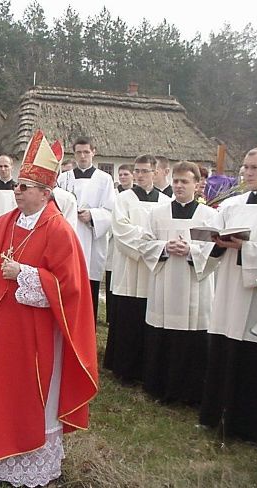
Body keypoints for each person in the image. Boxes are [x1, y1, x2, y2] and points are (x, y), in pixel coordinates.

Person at [0, 130, 98, 487]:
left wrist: (24, 274)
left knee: (26, 399)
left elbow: (70, 290)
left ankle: (28, 456)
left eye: (25, 186)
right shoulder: (8, 221)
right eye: (18, 185)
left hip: (35, 339)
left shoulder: (59, 231)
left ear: (45, 192)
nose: (17, 191)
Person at [199, 146, 257, 450]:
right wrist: (217, 243)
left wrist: (245, 248)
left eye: (254, 167)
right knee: (223, 349)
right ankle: (217, 415)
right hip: (229, 289)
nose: (247, 172)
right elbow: (214, 244)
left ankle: (247, 424)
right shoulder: (232, 204)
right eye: (245, 167)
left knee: (251, 359)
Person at [139, 162, 218, 404]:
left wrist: (192, 250)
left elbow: (217, 251)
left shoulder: (210, 216)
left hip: (194, 285)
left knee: (191, 340)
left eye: (185, 181)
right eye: (176, 181)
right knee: (163, 336)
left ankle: (189, 392)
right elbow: (143, 243)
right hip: (164, 285)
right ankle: (159, 387)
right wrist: (164, 247)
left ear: (197, 184)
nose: (179, 185)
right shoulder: (157, 214)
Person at [104, 155, 171, 382]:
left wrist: (156, 245)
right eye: (137, 171)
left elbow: (168, 232)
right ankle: (124, 368)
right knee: (128, 318)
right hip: (130, 267)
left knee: (148, 318)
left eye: (145, 171)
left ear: (155, 172)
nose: (140, 175)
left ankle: (147, 366)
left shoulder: (165, 201)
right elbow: (121, 230)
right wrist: (149, 242)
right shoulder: (124, 198)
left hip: (153, 268)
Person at [57, 137, 115, 324]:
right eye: (78, 152)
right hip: (69, 236)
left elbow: (110, 210)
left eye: (86, 152)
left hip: (91, 237)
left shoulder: (104, 179)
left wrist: (93, 216)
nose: (82, 156)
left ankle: (87, 325)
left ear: (93, 152)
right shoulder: (63, 178)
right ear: (73, 154)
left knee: (89, 281)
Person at [105, 164, 135, 327]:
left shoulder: (136, 197)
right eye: (120, 174)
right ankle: (111, 314)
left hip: (132, 242)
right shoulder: (115, 195)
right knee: (112, 278)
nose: (123, 177)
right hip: (114, 242)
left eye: (126, 174)